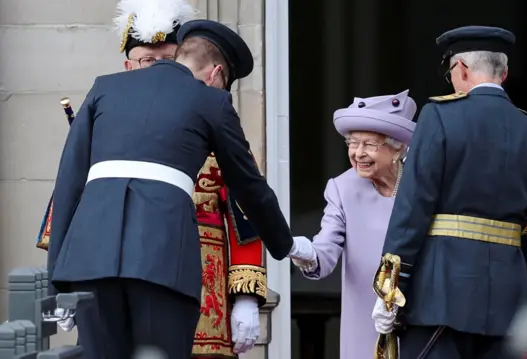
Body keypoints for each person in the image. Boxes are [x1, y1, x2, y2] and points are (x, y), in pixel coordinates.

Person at [46, 18, 294, 359]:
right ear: (216, 73)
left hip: (96, 260)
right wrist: (287, 245)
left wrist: (55, 282)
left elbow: (69, 182)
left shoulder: (103, 88)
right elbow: (251, 188)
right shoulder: (211, 102)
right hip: (163, 260)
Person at [370, 26, 527, 359]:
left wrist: (391, 289)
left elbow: (412, 210)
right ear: (504, 73)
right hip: (509, 307)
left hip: (438, 299)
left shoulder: (439, 118)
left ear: (461, 69)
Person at [288, 90, 417, 359]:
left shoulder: (421, 187)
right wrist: (306, 254)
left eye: (369, 144)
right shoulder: (342, 188)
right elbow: (325, 250)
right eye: (352, 143)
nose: (358, 153)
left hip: (418, 314)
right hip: (364, 320)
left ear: (398, 147)